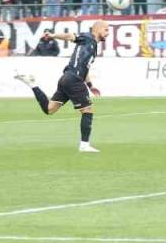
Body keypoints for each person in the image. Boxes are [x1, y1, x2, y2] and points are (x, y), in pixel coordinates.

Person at [15, 20, 109, 153]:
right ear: (97, 29)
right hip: (74, 79)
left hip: (67, 79)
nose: (108, 33)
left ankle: (32, 84)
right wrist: (52, 35)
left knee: (49, 109)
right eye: (106, 30)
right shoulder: (88, 38)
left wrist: (90, 85)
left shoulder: (92, 45)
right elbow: (70, 36)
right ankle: (84, 145)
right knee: (88, 110)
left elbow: (85, 68)